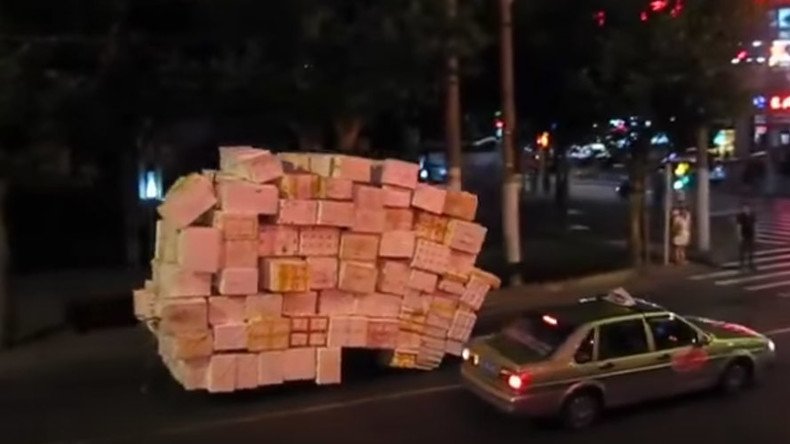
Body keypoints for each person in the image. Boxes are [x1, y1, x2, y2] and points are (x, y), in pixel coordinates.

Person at [736, 204, 756, 270]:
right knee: (742, 251)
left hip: (751, 235)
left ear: (749, 209)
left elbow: (755, 225)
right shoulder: (740, 216)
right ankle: (741, 265)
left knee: (751, 251)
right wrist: (739, 235)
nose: (745, 210)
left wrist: (756, 234)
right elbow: (739, 226)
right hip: (744, 235)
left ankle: (751, 264)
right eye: (744, 208)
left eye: (746, 208)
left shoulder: (752, 215)